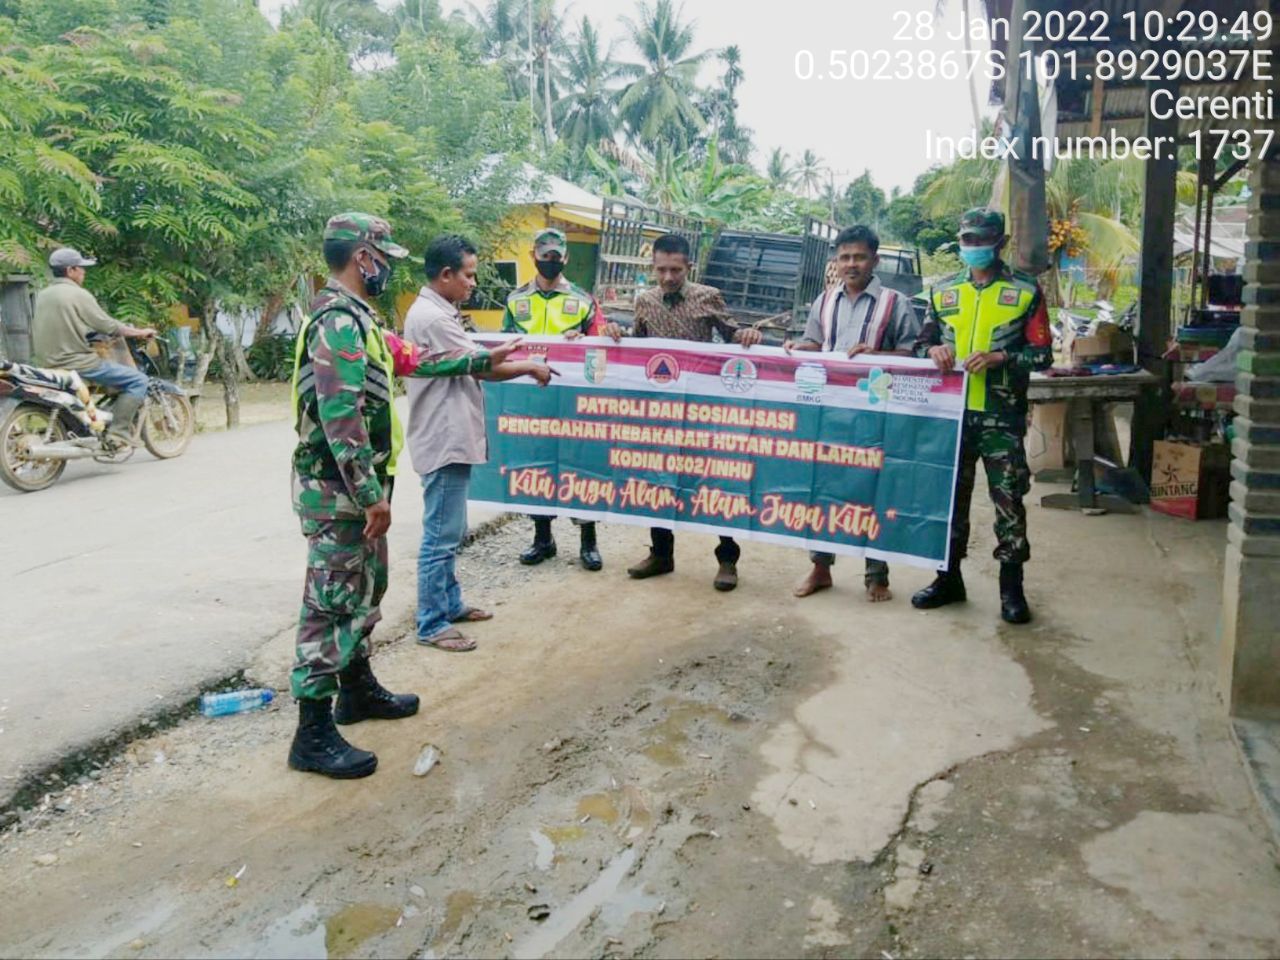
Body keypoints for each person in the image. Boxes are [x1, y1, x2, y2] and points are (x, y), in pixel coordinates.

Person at [287, 213, 526, 779]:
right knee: (329, 603)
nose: (388, 269)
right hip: (339, 490)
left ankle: (356, 690)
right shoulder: (337, 323)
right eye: (382, 259)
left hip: (358, 487)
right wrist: (371, 496)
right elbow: (339, 416)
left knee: (367, 586)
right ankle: (312, 732)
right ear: (361, 257)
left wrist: (483, 359)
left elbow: (413, 360)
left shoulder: (361, 319)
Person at [406, 234, 553, 652]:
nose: (473, 283)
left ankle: (449, 604)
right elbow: (481, 368)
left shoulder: (440, 313)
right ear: (446, 274)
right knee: (441, 533)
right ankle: (432, 622)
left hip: (450, 434)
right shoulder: (433, 318)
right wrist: (529, 366)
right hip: (444, 437)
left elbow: (474, 361)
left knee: (450, 529)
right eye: (468, 275)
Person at [911, 208, 1052, 624]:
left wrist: (1001, 357)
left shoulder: (1026, 291)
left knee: (1009, 504)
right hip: (951, 418)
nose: (974, 247)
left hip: (1001, 418)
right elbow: (921, 345)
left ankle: (1011, 590)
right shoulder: (942, 291)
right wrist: (932, 350)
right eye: (967, 240)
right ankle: (947, 579)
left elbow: (1043, 354)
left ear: (1001, 242)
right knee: (949, 503)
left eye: (982, 239)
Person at [601, 233, 763, 592]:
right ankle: (661, 553)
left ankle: (727, 559)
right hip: (661, 410)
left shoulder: (708, 296)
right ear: (653, 267)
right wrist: (614, 333)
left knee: (716, 479)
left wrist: (748, 335)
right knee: (658, 478)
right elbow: (638, 347)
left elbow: (732, 333)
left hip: (705, 408)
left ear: (689, 266)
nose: (669, 277)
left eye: (676, 269)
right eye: (661, 269)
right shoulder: (644, 301)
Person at [784, 225, 921, 603]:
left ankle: (876, 575)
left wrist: (877, 357)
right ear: (836, 262)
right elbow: (816, 343)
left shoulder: (895, 303)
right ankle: (821, 567)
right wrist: (798, 347)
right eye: (844, 257)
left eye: (859, 257)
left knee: (874, 490)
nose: (851, 264)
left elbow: (913, 356)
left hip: (876, 414)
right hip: (830, 412)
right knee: (823, 487)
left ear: (875, 260)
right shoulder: (824, 301)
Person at [502, 227, 606, 571]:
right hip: (532, 402)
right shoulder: (515, 300)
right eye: (544, 255)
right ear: (534, 256)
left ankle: (588, 541)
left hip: (574, 402)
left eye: (556, 255)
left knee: (582, 466)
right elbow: (502, 349)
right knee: (537, 466)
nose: (551, 261)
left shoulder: (584, 300)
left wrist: (586, 341)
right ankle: (543, 538)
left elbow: (603, 352)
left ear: (566, 257)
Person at [31, 247, 157, 448]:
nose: (84, 272)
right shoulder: (78, 294)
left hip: (48, 362)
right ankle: (119, 434)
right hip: (77, 362)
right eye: (80, 268)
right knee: (138, 380)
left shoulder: (43, 294)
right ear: (70, 270)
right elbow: (107, 325)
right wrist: (139, 332)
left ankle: (97, 422)